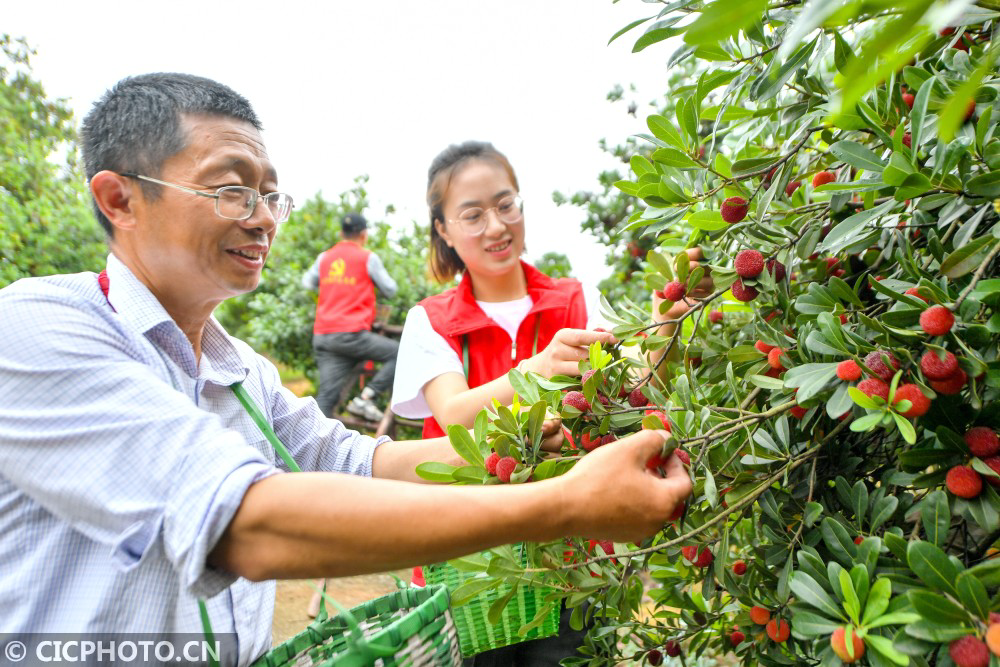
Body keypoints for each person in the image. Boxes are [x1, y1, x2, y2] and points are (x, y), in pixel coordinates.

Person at [0, 74, 691, 667]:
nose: (264, 218)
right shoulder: (36, 329)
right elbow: (245, 523)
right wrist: (566, 502)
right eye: (233, 190)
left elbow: (366, 463)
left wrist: (550, 430)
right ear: (120, 198)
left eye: (271, 194)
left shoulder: (243, 371)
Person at [390, 141, 626, 665]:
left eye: (505, 205)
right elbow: (451, 415)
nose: (495, 226)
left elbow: (623, 391)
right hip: (465, 563)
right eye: (472, 215)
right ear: (443, 230)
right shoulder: (430, 319)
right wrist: (535, 370)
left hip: (570, 559)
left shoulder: (577, 298)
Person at [302, 211, 399, 422]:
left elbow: (307, 282)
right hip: (352, 335)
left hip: (324, 335)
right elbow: (390, 289)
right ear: (363, 235)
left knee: (327, 398)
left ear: (341, 233)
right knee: (398, 354)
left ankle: (311, 450)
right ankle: (367, 397)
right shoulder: (367, 258)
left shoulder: (324, 257)